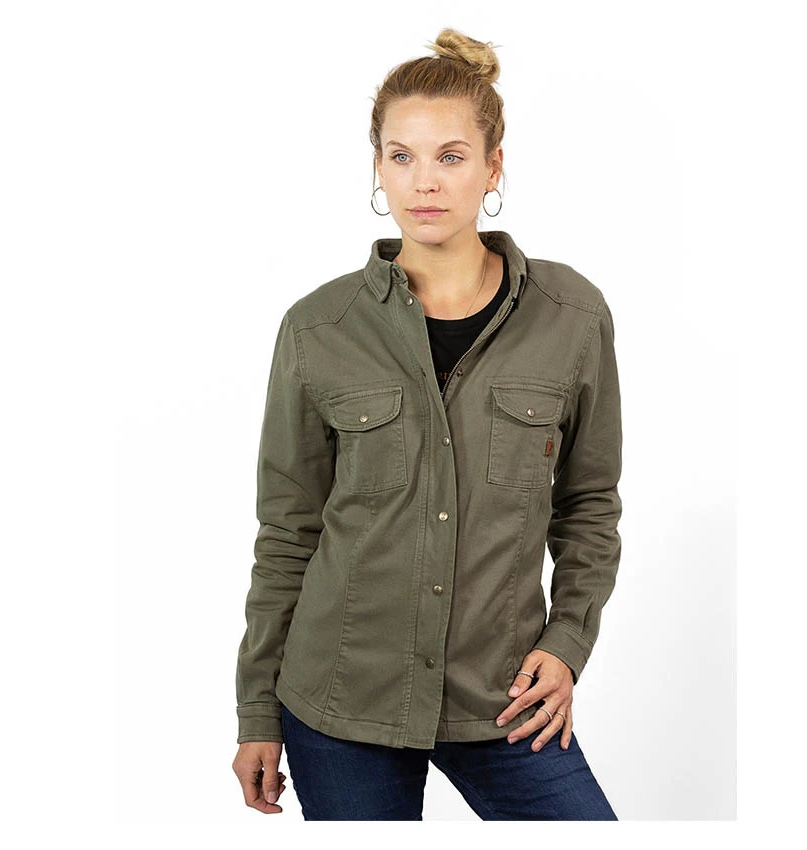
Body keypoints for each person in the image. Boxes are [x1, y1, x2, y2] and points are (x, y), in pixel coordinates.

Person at [231, 28, 623, 821]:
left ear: (493, 166)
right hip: (343, 701)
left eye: (450, 156)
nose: (425, 182)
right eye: (401, 156)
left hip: (505, 696)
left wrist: (566, 645)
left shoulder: (571, 317)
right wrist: (256, 712)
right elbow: (288, 534)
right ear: (378, 167)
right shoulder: (318, 329)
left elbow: (589, 506)